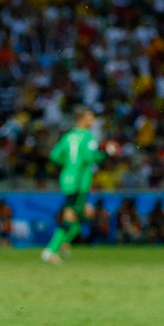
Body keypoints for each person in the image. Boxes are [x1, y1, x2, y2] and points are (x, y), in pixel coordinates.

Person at [41, 107, 116, 264]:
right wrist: (107, 153)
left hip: (67, 179)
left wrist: (68, 165)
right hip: (79, 182)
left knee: (80, 219)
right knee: (70, 218)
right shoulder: (88, 136)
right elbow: (90, 157)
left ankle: (64, 244)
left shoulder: (68, 136)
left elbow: (54, 156)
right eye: (90, 117)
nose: (93, 120)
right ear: (82, 119)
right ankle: (51, 250)